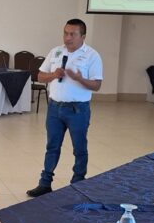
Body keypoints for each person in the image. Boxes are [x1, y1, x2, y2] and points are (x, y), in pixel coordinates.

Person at [27, 19, 103, 197]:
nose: (68, 38)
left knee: (79, 148)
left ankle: (78, 184)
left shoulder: (92, 56)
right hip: (54, 108)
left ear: (83, 36)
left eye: (72, 34)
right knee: (52, 146)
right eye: (65, 33)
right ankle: (45, 183)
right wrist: (54, 75)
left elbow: (97, 85)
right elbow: (40, 76)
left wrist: (80, 79)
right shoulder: (56, 51)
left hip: (78, 110)